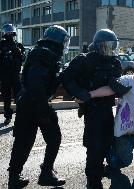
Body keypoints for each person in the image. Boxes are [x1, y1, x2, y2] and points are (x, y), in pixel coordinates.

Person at [62, 29, 126, 189]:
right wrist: (79, 93)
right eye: (106, 46)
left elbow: (119, 82)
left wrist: (119, 87)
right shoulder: (84, 60)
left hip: (107, 109)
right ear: (97, 46)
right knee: (94, 145)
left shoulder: (115, 62)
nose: (110, 50)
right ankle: (93, 179)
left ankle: (98, 169)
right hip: (92, 109)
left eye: (113, 46)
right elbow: (66, 78)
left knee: (106, 142)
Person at [7, 25, 70, 188]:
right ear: (56, 41)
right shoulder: (44, 54)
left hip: (30, 103)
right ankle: (44, 174)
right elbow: (36, 83)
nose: (65, 45)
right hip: (35, 103)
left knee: (24, 141)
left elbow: (45, 81)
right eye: (64, 41)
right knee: (49, 139)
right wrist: (43, 110)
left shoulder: (42, 52)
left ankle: (16, 177)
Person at [87, 65, 134, 173]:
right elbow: (109, 89)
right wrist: (89, 95)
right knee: (125, 161)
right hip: (126, 131)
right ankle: (109, 161)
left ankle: (117, 155)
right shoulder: (127, 81)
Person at [0, 23, 25, 125]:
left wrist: (19, 52)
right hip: (4, 76)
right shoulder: (1, 45)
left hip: (15, 76)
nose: (10, 34)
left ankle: (20, 117)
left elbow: (23, 59)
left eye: (11, 32)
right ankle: (8, 116)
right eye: (8, 32)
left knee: (19, 97)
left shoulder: (18, 45)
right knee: (6, 98)